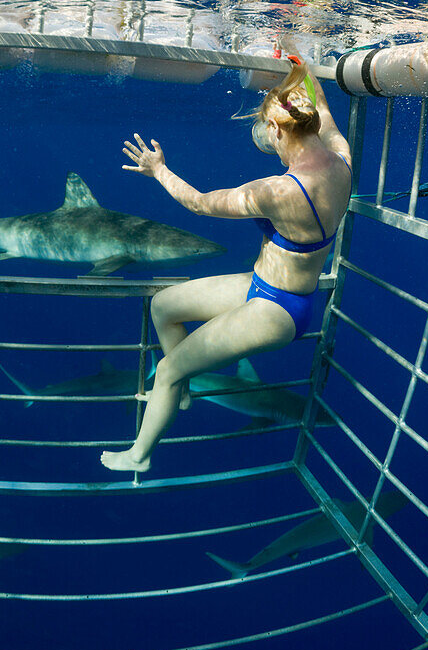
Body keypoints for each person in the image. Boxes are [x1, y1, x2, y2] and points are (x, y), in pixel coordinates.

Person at [100, 59, 352, 473]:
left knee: (165, 369)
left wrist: (158, 170)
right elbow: (324, 109)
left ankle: (139, 455)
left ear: (274, 131)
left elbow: (198, 203)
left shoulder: (275, 191)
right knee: (162, 307)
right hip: (266, 286)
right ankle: (180, 390)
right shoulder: (341, 159)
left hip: (276, 313)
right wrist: (299, 64)